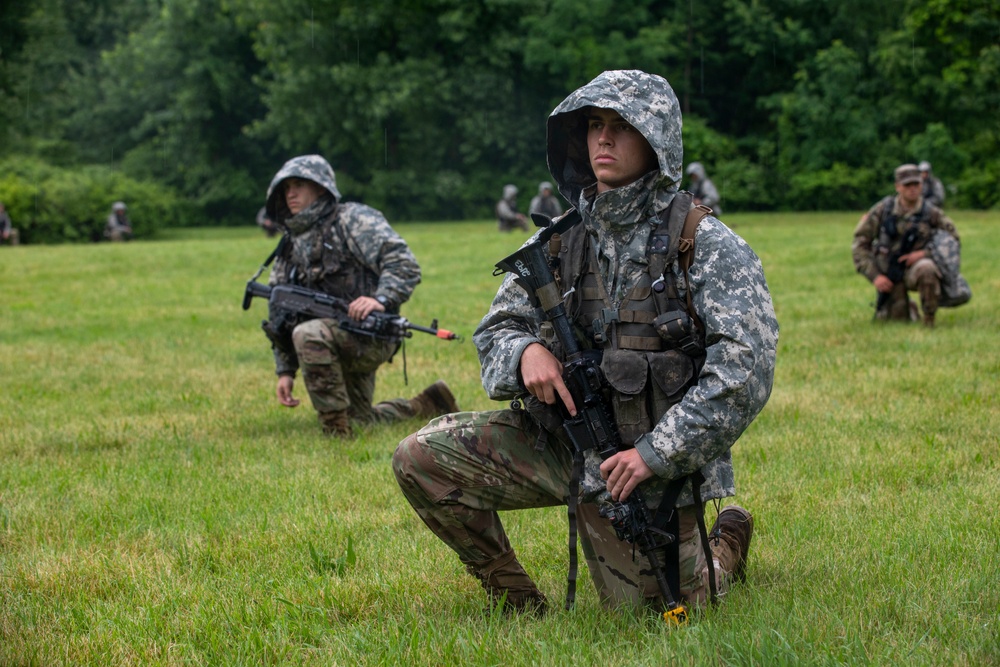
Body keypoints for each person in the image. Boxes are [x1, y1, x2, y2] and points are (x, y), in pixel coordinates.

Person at [394, 70, 778, 616]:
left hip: (652, 469)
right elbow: (495, 330)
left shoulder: (706, 244)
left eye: (622, 126)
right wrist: (525, 353)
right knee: (420, 458)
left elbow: (745, 370)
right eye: (595, 125)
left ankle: (725, 547)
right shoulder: (557, 241)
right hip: (565, 444)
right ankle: (517, 600)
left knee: (649, 616)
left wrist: (656, 453)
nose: (603, 138)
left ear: (656, 139)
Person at [259, 155, 459, 437]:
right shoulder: (289, 242)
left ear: (321, 187)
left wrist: (380, 298)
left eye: (299, 185)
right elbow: (279, 314)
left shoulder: (353, 220)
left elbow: (403, 263)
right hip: (329, 337)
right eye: (286, 187)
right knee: (362, 420)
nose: (290, 193)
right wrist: (285, 371)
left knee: (307, 334)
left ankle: (335, 430)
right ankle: (427, 404)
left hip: (369, 334)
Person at [852, 163, 959, 328]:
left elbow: (953, 239)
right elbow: (860, 244)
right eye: (907, 185)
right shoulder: (883, 210)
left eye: (916, 184)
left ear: (922, 185)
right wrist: (875, 276)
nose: (912, 189)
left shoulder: (931, 212)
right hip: (890, 273)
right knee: (895, 322)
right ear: (897, 187)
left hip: (916, 268)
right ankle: (909, 309)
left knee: (927, 269)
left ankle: (929, 320)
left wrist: (925, 254)